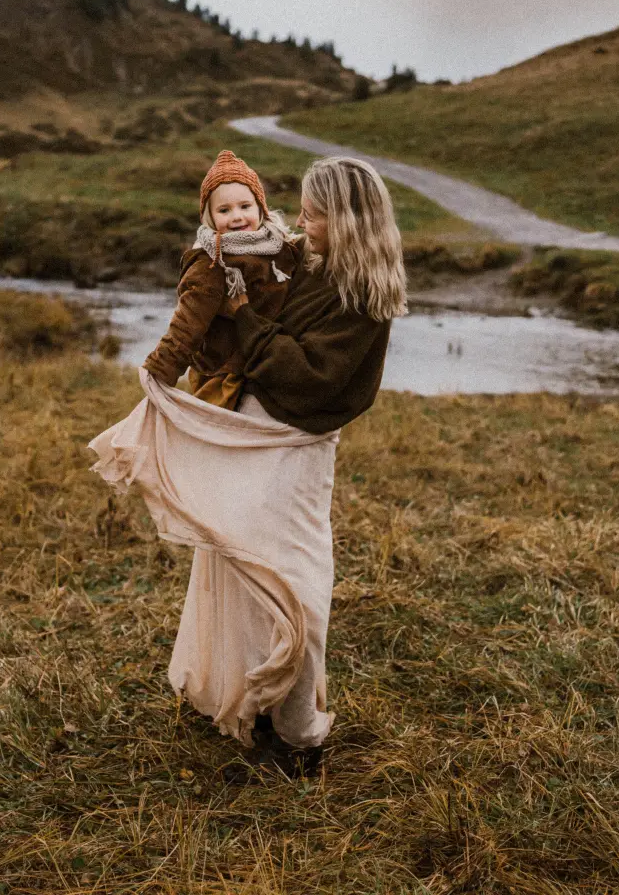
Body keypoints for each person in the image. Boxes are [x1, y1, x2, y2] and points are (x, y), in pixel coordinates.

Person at [90, 155, 406, 775]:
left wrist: (243, 319)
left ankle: (297, 735)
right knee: (237, 557)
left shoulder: (363, 297)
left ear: (343, 220)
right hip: (256, 425)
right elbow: (240, 272)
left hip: (296, 444)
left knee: (292, 579)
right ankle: (250, 695)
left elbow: (311, 375)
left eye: (312, 215)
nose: (300, 224)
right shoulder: (305, 259)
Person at [142, 150, 300, 409]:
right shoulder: (213, 262)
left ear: (260, 207)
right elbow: (187, 321)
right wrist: (162, 367)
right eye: (224, 210)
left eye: (245, 206)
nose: (237, 216)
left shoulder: (279, 246)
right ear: (210, 217)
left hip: (272, 361)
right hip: (226, 374)